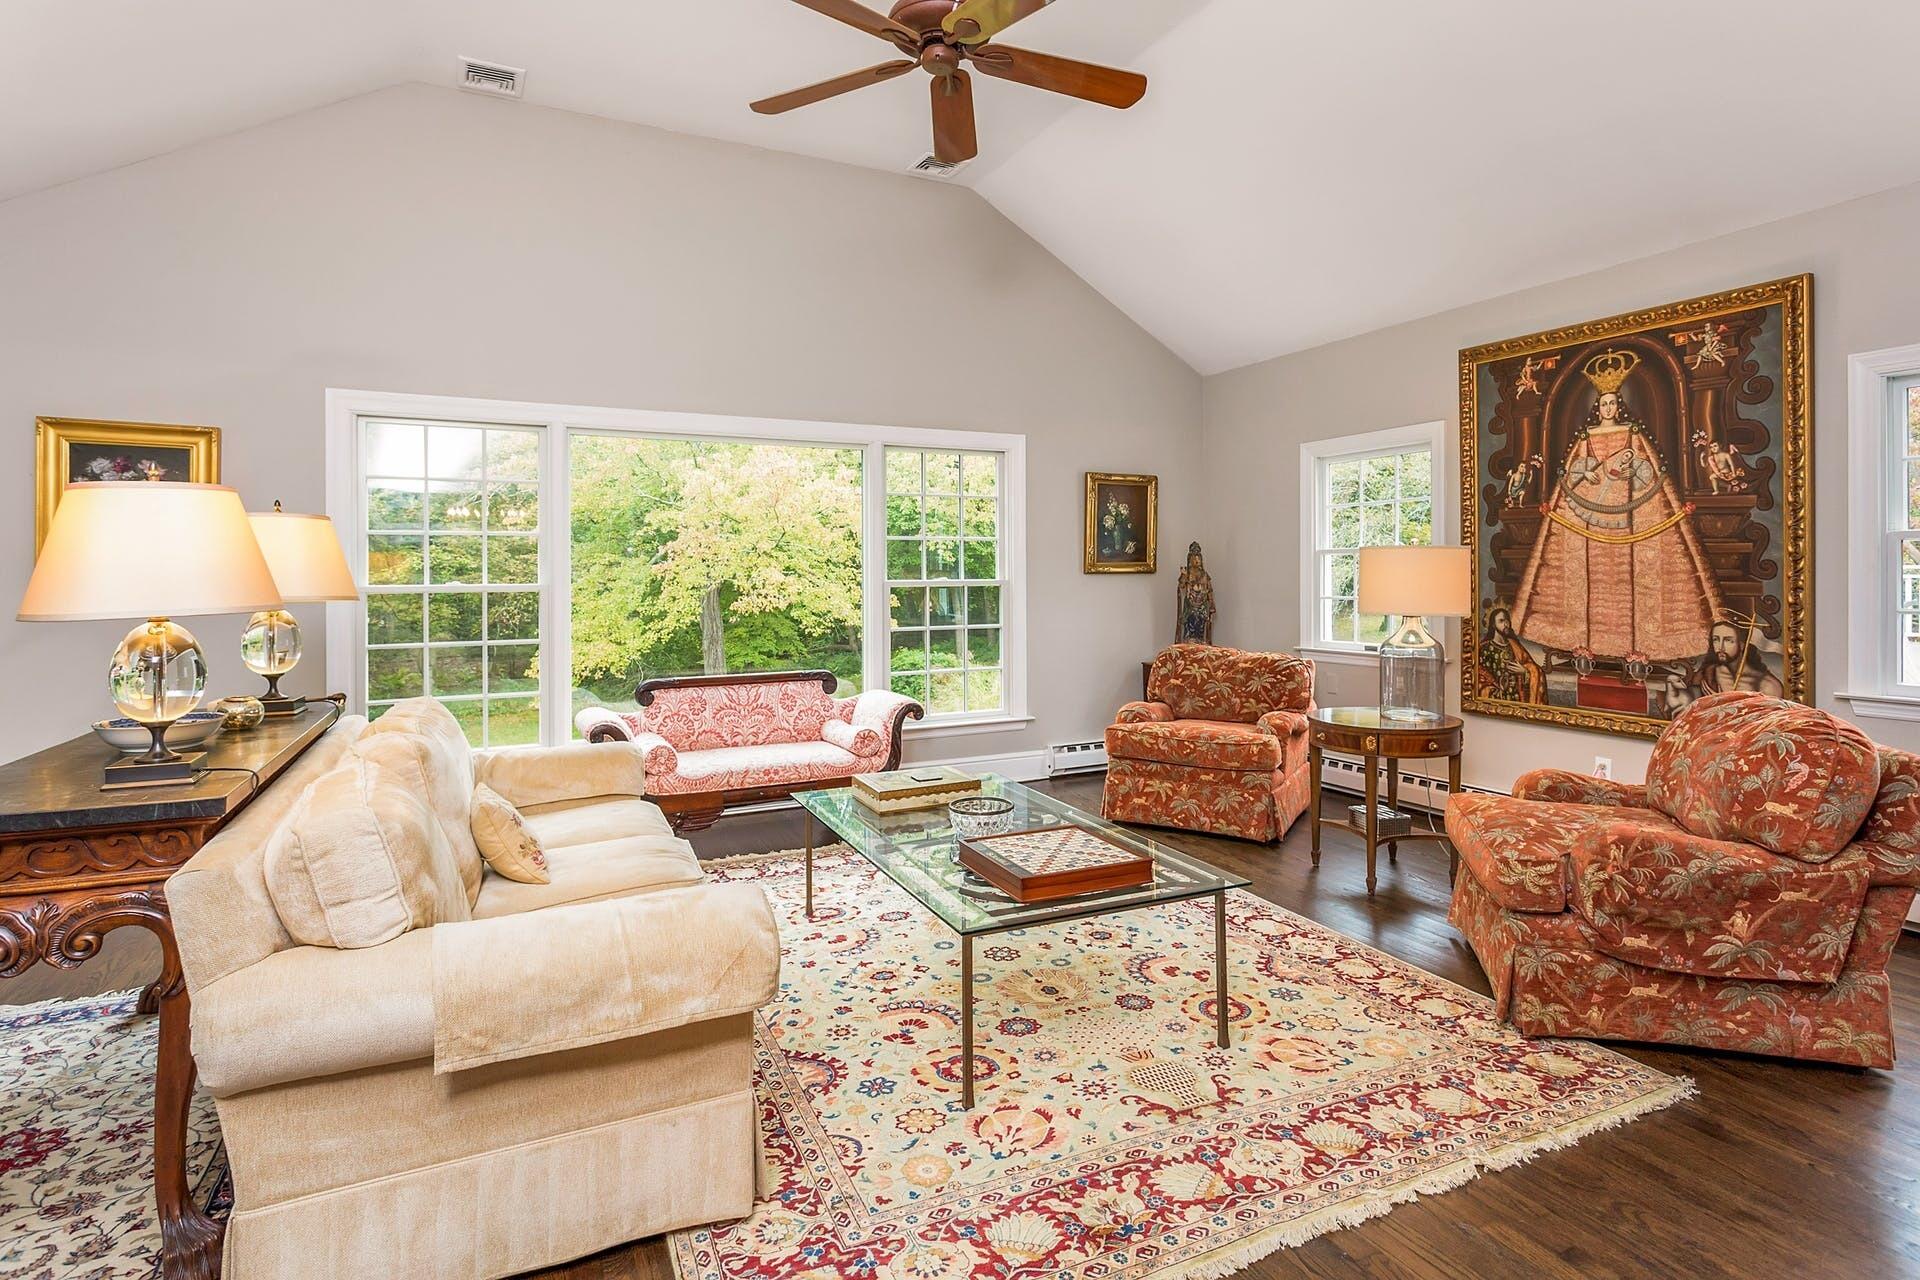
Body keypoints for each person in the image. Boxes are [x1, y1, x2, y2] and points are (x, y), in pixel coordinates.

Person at [1511, 348, 1722, 666]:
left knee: (1634, 576)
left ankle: (1638, 648)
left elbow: (1647, 470)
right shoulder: (1586, 437)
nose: (1607, 408)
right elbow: (1574, 471)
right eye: (1603, 403)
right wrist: (1587, 472)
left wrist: (1631, 472)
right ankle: (1581, 644)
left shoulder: (1632, 434)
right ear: (1597, 407)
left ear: (1618, 405)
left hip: (1630, 515)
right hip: (1586, 517)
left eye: (1612, 403)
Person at [1475, 605, 1544, 703]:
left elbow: (1534, 668)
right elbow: (1479, 677)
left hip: (1518, 700)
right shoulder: (1484, 648)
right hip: (1497, 700)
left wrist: (1525, 671)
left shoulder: (1515, 646)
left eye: (1507, 620)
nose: (1505, 624)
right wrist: (1497, 688)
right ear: (1493, 625)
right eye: (1501, 621)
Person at [1175, 541, 1215, 644]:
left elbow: (1209, 590)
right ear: (1190, 560)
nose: (1197, 561)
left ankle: (1200, 641)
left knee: (1200, 624)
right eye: (1194, 558)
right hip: (1190, 605)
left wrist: (1211, 604)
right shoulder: (1188, 574)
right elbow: (1181, 586)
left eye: (1198, 558)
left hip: (1202, 604)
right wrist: (1183, 576)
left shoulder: (1204, 575)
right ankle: (1189, 640)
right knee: (1191, 622)